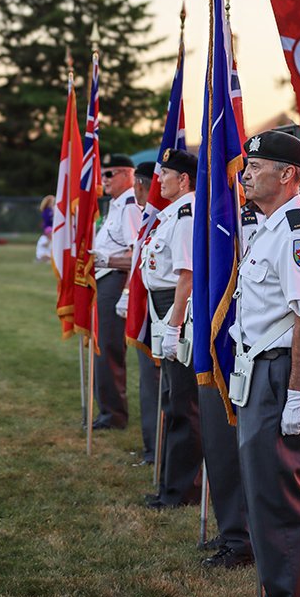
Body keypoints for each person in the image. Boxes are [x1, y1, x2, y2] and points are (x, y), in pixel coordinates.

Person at [228, 130, 300, 597]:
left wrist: (294, 394)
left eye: (256, 167)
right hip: (259, 367)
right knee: (262, 493)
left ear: (288, 175)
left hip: (279, 372)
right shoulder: (268, 226)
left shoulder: (294, 232)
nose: (246, 175)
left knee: (279, 498)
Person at [198, 203, 260, 569]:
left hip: (256, 353)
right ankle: (232, 529)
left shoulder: (285, 228)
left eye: (253, 173)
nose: (247, 177)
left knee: (249, 453)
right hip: (230, 341)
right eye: (245, 173)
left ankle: (244, 536)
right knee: (218, 443)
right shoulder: (227, 211)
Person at [140, 149, 203, 508]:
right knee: (172, 398)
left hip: (176, 309)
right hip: (163, 306)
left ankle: (182, 491)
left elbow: (187, 276)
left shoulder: (185, 215)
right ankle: (172, 485)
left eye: (165, 174)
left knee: (182, 402)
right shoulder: (172, 214)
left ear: (183, 180)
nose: (158, 179)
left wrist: (174, 326)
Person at [90, 153, 141, 431]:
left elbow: (137, 253)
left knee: (109, 347)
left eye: (110, 174)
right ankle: (107, 410)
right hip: (105, 278)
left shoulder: (130, 205)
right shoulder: (116, 204)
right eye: (103, 174)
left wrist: (107, 261)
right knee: (102, 346)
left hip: (116, 279)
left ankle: (114, 414)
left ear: (128, 175)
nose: (104, 179)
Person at [131, 161, 161, 464]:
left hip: (166, 310)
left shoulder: (178, 216)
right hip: (152, 303)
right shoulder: (160, 216)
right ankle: (154, 447)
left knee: (159, 385)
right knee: (150, 383)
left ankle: (159, 449)